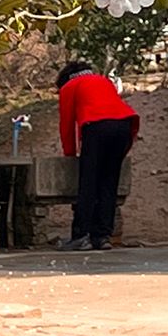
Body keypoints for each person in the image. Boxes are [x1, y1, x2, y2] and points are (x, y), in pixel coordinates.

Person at [57, 63, 139, 251]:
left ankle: (81, 235)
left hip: (97, 127)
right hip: (124, 126)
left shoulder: (69, 87)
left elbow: (67, 124)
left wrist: (69, 154)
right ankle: (102, 237)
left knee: (89, 183)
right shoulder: (103, 80)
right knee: (108, 183)